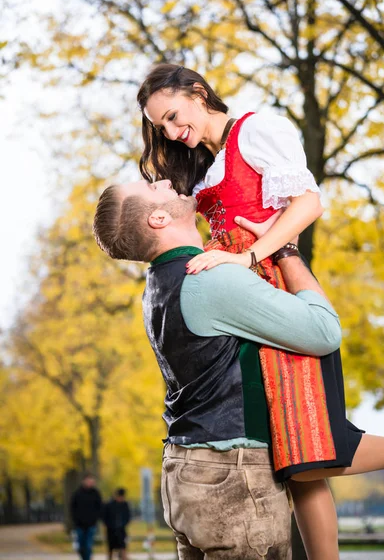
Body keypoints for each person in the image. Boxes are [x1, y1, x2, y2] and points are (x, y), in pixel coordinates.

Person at [135, 63, 384, 559]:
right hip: (244, 310)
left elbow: (307, 203)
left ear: (198, 92)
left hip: (276, 289)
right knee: (296, 462)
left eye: (173, 116)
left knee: (310, 448)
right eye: (161, 128)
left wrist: (248, 256)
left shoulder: (257, 130)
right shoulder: (203, 162)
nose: (171, 133)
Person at [92, 178, 345, 558]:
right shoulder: (210, 279)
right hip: (234, 475)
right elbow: (324, 331)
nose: (163, 180)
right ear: (159, 218)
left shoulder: (156, 287)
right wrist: (287, 249)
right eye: (153, 187)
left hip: (185, 471)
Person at [70, 472, 103, 560]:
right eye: (88, 481)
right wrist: (75, 520)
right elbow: (73, 508)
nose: (90, 483)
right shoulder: (77, 494)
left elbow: (100, 507)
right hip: (79, 524)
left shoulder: (96, 494)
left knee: (88, 545)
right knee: (80, 546)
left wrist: (96, 519)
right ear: (84, 481)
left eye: (92, 482)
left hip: (91, 524)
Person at [103, 488, 131, 560]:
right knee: (110, 547)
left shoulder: (125, 504)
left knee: (122, 546)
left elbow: (128, 516)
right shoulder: (109, 505)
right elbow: (104, 516)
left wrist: (123, 524)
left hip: (121, 529)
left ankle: (124, 557)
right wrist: (109, 524)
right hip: (111, 529)